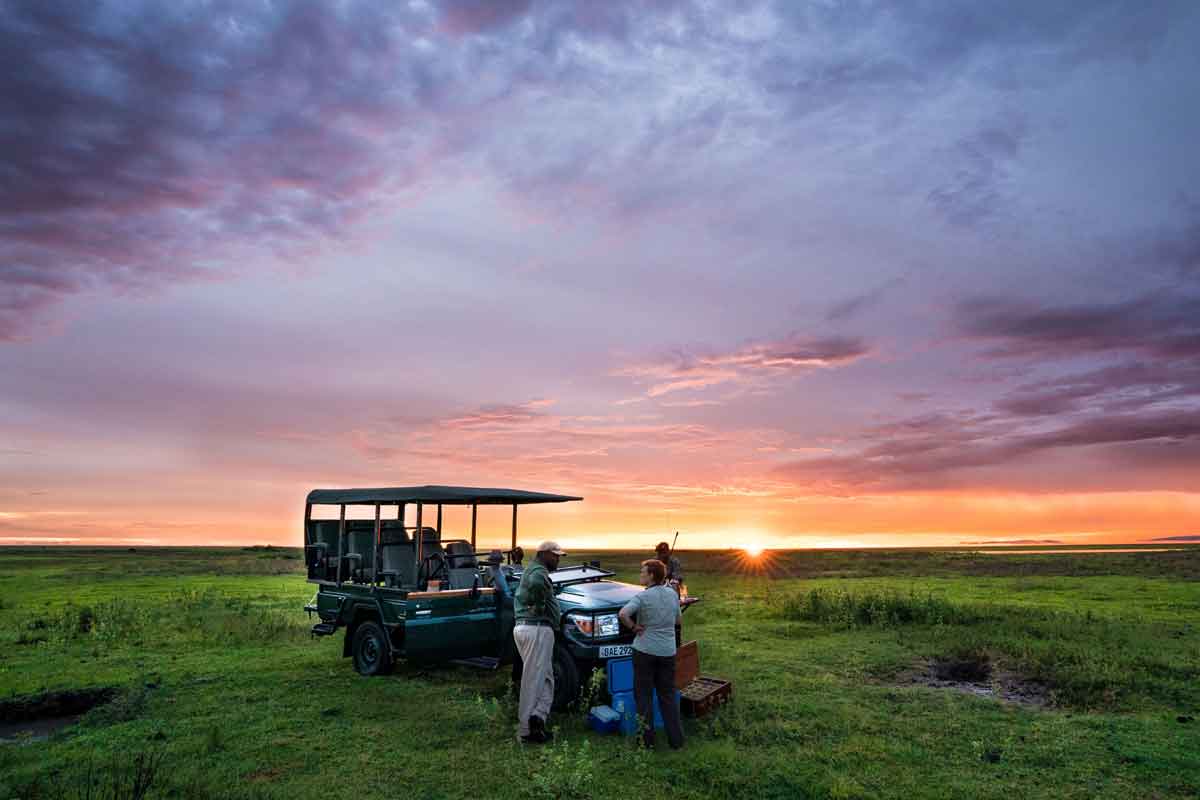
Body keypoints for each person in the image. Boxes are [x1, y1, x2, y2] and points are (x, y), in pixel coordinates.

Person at [619, 559, 685, 750]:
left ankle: (646, 743)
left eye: (643, 572)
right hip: (667, 652)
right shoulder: (672, 595)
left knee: (644, 696)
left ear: (651, 576)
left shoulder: (642, 597)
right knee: (668, 696)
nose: (640, 575)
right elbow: (678, 621)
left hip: (645, 651)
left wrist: (634, 627)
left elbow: (623, 614)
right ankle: (677, 741)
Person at [512, 540, 565, 744]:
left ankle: (537, 720)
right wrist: (540, 605)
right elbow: (535, 584)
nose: (558, 559)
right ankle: (525, 731)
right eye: (555, 555)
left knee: (546, 678)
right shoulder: (539, 571)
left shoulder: (536, 569)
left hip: (534, 629)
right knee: (533, 680)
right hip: (536, 629)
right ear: (544, 554)